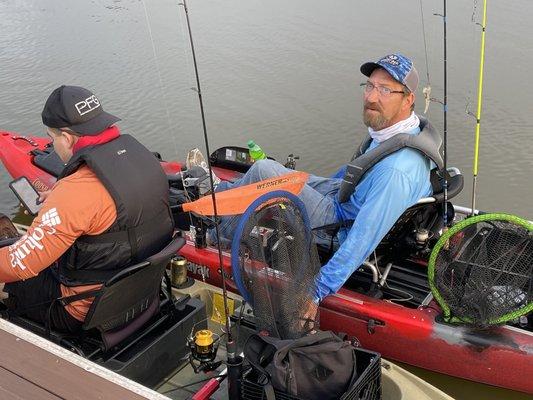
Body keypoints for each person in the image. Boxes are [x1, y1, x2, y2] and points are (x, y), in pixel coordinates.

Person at [213, 54, 443, 317]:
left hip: (338, 225)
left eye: (385, 90)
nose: (371, 97)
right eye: (369, 86)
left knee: (264, 170)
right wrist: (310, 188)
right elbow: (350, 175)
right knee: (279, 173)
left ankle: (216, 236)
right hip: (342, 196)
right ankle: (222, 195)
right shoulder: (404, 132)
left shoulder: (396, 171)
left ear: (408, 99)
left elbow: (362, 238)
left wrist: (317, 290)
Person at [0, 85, 174, 332]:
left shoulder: (76, 191)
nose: (53, 144)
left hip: (82, 309)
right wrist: (59, 200)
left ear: (67, 137)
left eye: (52, 138)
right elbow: (115, 210)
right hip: (141, 294)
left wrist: (63, 202)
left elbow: (20, 264)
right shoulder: (143, 159)